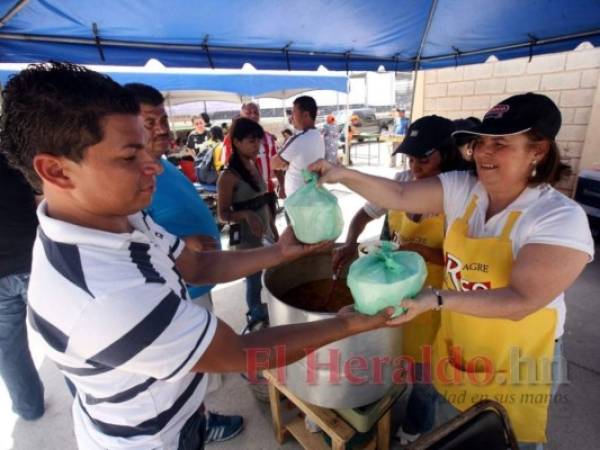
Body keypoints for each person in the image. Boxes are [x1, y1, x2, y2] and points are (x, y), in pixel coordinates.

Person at [1, 62, 398, 450]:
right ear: (57, 171)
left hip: (180, 411)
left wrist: (279, 252)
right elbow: (242, 353)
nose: (152, 166)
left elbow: (198, 264)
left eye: (146, 148)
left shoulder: (119, 218)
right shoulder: (103, 299)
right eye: (128, 157)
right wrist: (345, 326)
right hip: (155, 439)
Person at [309, 92, 594, 449]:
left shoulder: (558, 217)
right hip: (459, 345)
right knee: (453, 435)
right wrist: (341, 173)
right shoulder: (463, 189)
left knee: (503, 439)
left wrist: (435, 299)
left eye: (501, 143)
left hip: (518, 357)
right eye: (480, 143)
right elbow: (397, 193)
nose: (484, 153)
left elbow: (522, 300)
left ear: (538, 150)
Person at [331, 115, 465, 442]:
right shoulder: (402, 183)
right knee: (392, 355)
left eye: (424, 159)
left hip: (435, 299)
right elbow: (364, 213)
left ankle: (416, 429)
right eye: (410, 159)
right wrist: (350, 243)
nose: (415, 168)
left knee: (426, 373)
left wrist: (413, 248)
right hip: (396, 293)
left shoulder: (460, 195)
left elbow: (456, 261)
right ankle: (380, 406)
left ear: (446, 155)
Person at [124, 83, 241, 442]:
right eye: (149, 121)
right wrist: (181, 243)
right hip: (177, 285)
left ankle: (200, 414)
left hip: (197, 275)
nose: (161, 128)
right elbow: (128, 237)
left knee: (200, 356)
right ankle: (202, 423)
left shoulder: (158, 163)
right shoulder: (128, 176)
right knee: (188, 362)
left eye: (162, 118)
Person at [217, 118, 278, 325]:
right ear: (236, 142)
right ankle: (255, 312)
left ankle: (266, 306)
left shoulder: (253, 165)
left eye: (259, 141)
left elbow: (262, 200)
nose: (257, 146)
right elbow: (222, 214)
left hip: (264, 230)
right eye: (252, 141)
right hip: (246, 236)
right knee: (252, 277)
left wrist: (272, 226)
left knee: (271, 270)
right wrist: (245, 215)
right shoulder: (227, 176)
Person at [0, 154, 45, 421]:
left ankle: (29, 408)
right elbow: (41, 196)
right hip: (33, 261)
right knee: (66, 340)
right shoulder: (9, 157)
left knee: (7, 346)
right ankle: (85, 404)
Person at [222, 102, 284, 208]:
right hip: (245, 197)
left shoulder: (269, 138)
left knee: (269, 224)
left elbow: (276, 165)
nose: (253, 115)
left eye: (256, 112)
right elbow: (226, 165)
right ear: (241, 115)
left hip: (267, 193)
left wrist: (282, 185)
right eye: (248, 113)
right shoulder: (231, 139)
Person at [271, 95, 325, 198]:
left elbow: (274, 163)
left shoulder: (299, 139)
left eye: (293, 112)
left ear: (305, 115)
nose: (291, 118)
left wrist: (285, 164)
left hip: (297, 201)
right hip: (311, 196)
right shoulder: (317, 135)